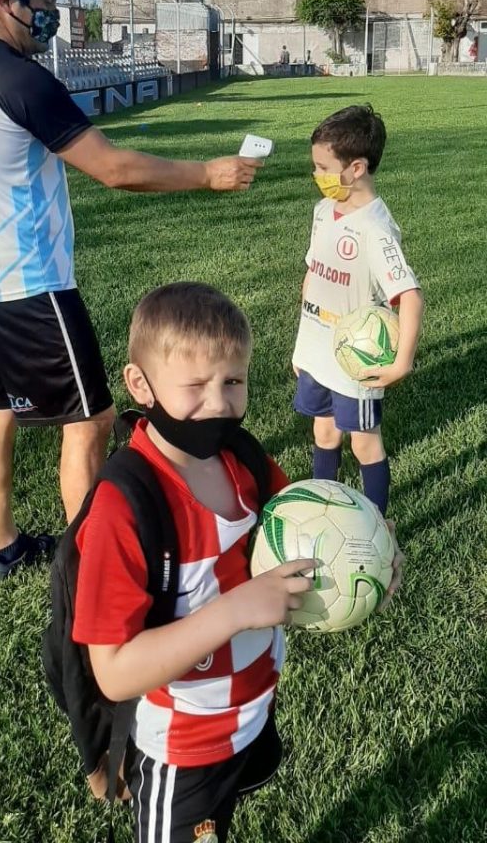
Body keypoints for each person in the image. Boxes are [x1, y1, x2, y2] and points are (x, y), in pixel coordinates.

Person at [0, 0, 261, 586]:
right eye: (48, 2)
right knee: (91, 420)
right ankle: (95, 567)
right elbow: (112, 168)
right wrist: (207, 174)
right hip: (30, 283)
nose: (54, 14)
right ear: (8, 2)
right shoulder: (20, 76)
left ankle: (2, 547)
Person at [72, 282, 403, 840]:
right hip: (182, 748)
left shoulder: (243, 460)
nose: (220, 403)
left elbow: (305, 530)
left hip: (250, 716)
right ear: (141, 384)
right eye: (195, 386)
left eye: (233, 382)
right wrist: (235, 610)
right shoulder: (126, 506)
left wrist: (366, 551)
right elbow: (113, 670)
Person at [292, 104, 424, 515]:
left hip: (355, 361)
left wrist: (401, 363)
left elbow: (411, 296)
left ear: (356, 168)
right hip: (317, 353)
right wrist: (304, 348)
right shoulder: (322, 212)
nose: (316, 176)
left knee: (364, 440)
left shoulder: (375, 229)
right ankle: (323, 512)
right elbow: (313, 270)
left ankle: (374, 524)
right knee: (325, 430)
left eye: (322, 167)